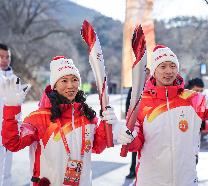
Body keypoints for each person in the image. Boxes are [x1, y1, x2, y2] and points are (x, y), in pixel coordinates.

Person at [118, 45, 208, 185]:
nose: (169, 71)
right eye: (163, 66)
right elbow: (136, 143)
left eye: (173, 66)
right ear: (154, 70)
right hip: (151, 181)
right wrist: (128, 137)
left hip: (185, 180)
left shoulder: (192, 99)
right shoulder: (142, 103)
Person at [0, 56, 119, 186]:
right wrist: (11, 110)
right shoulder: (39, 118)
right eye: (64, 80)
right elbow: (12, 143)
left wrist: (106, 124)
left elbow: (96, 147)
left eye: (74, 80)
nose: (70, 85)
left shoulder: (86, 116)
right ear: (54, 86)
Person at [125, 67, 150, 179]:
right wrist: (129, 120)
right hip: (136, 123)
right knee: (135, 148)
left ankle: (146, 170)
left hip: (149, 122)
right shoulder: (134, 88)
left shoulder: (153, 86)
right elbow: (128, 104)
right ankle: (133, 170)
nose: (145, 76)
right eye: (143, 73)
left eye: (147, 73)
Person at [0, 43, 14, 186]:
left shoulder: (15, 80)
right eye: (1, 57)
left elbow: (18, 108)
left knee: (7, 170)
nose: (4, 60)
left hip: (9, 133)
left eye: (7, 57)